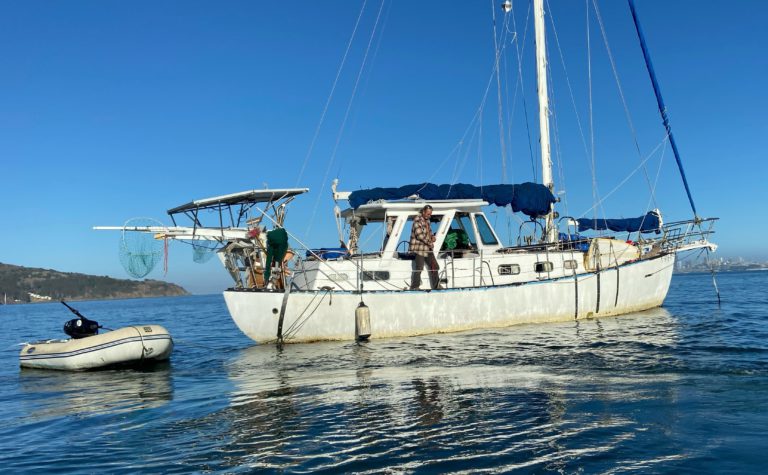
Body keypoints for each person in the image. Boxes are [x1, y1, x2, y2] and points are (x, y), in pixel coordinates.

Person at [409, 205, 440, 290]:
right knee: (419, 267)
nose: (429, 216)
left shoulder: (427, 221)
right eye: (427, 214)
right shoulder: (417, 221)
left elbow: (429, 232)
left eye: (430, 214)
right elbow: (420, 236)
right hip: (419, 249)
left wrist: (432, 236)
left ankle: (436, 286)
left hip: (427, 248)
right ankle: (414, 286)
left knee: (435, 266)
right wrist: (430, 243)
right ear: (423, 212)